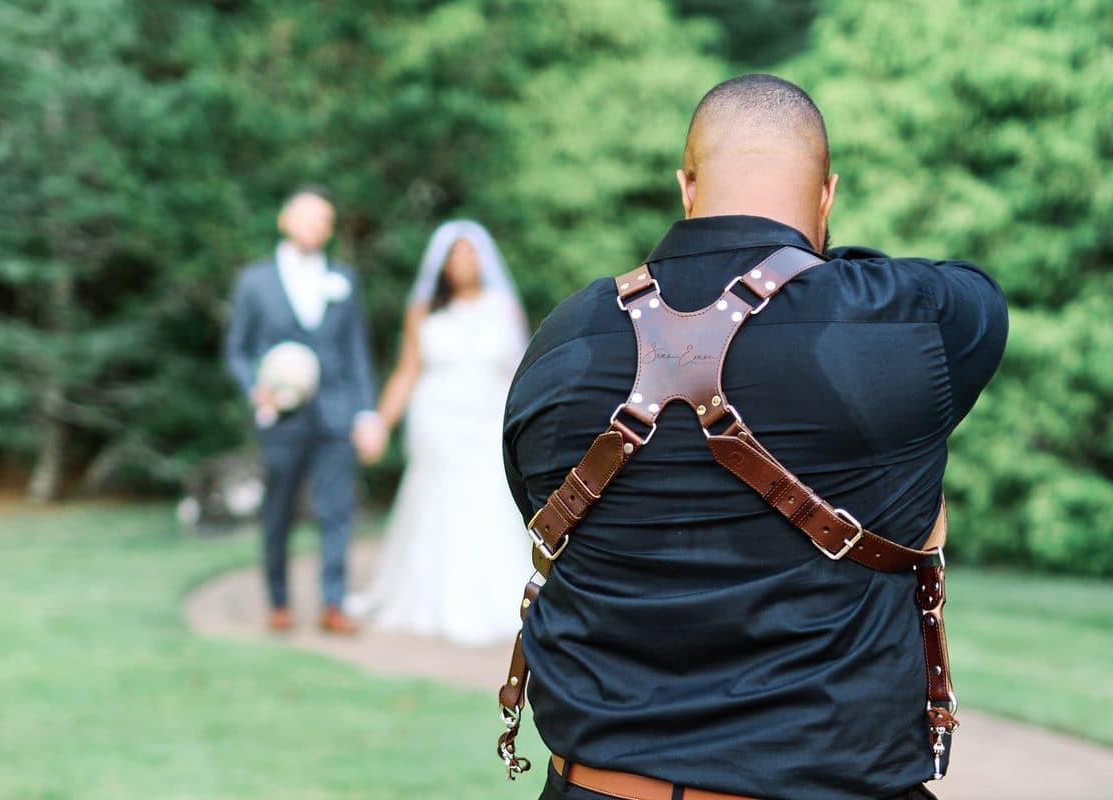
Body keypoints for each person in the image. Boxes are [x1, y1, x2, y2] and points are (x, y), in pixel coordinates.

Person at [502, 74, 1007, 800]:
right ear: (827, 195)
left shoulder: (561, 338)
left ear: (687, 187)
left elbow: (536, 504)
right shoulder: (910, 320)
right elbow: (975, 292)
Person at [346, 220, 531, 646]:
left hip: (487, 421)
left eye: (471, 254)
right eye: (455, 255)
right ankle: (432, 598)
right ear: (442, 264)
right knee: (439, 502)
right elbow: (406, 372)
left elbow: (522, 373)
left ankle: (496, 599)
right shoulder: (423, 312)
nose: (464, 263)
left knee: (490, 502)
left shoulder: (504, 309)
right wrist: (379, 422)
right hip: (437, 423)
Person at [224, 186, 386, 635]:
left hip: (335, 414)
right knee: (278, 511)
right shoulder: (254, 281)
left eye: (324, 221)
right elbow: (237, 351)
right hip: (282, 418)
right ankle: (279, 603)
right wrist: (256, 388)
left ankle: (334, 604)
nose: (316, 228)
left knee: (337, 510)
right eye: (308, 218)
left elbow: (357, 352)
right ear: (285, 221)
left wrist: (366, 413)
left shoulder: (344, 280)